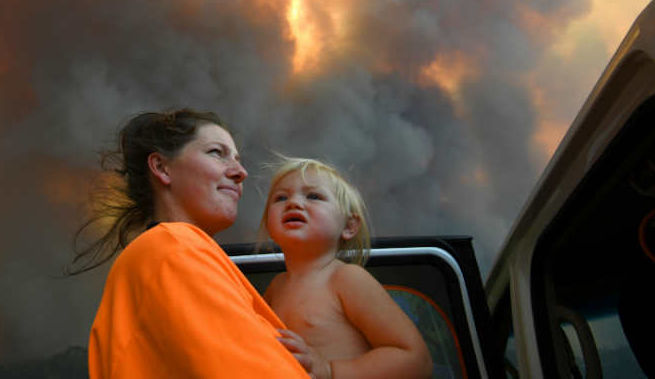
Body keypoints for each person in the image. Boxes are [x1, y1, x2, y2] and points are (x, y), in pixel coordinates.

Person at [70, 109, 310, 378]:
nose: (241, 172)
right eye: (216, 153)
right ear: (162, 168)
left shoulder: (168, 250)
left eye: (237, 159)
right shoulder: (173, 247)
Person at [260, 156, 432, 379]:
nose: (293, 202)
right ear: (268, 223)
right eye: (281, 197)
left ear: (349, 225)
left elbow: (416, 359)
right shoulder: (276, 287)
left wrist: (330, 371)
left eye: (313, 196)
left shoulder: (347, 278)